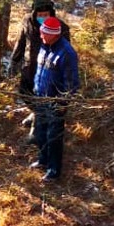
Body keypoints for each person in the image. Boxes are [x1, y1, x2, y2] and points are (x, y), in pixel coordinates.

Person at [9, 0, 71, 135]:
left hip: (48, 70)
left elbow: (66, 53)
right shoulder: (27, 22)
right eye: (40, 14)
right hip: (29, 67)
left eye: (46, 14)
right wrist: (14, 60)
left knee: (43, 98)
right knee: (25, 93)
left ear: (51, 13)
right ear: (34, 13)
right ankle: (35, 113)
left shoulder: (61, 28)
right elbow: (21, 42)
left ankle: (36, 130)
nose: (42, 17)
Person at [30, 16, 79, 182]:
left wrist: (62, 103)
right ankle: (43, 160)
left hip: (56, 103)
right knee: (40, 132)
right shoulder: (45, 46)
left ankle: (54, 170)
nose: (41, 35)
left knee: (54, 137)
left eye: (44, 33)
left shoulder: (67, 53)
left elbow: (72, 83)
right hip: (40, 98)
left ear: (53, 34)